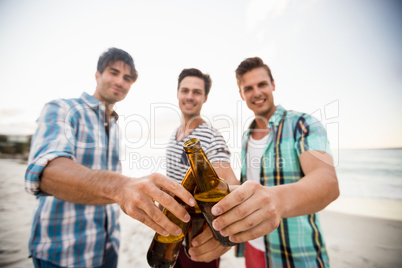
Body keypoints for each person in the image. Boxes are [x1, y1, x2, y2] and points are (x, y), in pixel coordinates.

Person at [24, 48, 196, 268]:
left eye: (127, 78)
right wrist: (120, 187)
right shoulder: (63, 109)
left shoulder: (115, 126)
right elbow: (46, 173)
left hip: (107, 247)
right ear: (98, 75)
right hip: (62, 251)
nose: (120, 81)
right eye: (113, 73)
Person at [210, 57, 340, 267]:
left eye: (262, 84)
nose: (257, 92)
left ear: (273, 85)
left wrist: (277, 201)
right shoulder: (246, 137)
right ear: (241, 95)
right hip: (252, 247)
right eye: (248, 88)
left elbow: (328, 183)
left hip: (295, 253)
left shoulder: (303, 123)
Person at [166, 68, 239, 267]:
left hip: (198, 240)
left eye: (197, 92)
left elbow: (230, 184)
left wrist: (229, 233)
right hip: (171, 237)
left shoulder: (211, 136)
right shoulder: (175, 134)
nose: (190, 96)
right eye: (185, 90)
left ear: (205, 97)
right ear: (178, 93)